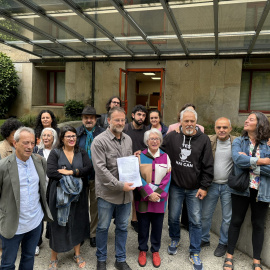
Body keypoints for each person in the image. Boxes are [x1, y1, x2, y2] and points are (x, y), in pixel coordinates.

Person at [161, 108, 213, 270]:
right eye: (186, 121)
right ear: (180, 122)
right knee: (173, 217)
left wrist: (204, 186)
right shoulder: (172, 137)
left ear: (196, 122)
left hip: (194, 188)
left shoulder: (204, 139)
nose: (189, 124)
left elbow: (208, 165)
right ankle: (175, 238)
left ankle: (195, 251)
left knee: (195, 221)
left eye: (192, 121)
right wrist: (141, 155)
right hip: (176, 186)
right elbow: (157, 148)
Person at [0, 127, 52, 269]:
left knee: (28, 258)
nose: (29, 147)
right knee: (7, 263)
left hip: (35, 223)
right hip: (13, 225)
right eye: (25, 143)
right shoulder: (3, 166)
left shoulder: (39, 162)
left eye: (32, 143)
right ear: (15, 143)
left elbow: (41, 189)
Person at [223, 112, 270, 270]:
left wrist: (250, 164)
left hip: (261, 191)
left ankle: (257, 260)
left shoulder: (267, 144)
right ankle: (229, 256)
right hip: (241, 189)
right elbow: (237, 160)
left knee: (258, 225)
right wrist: (262, 161)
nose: (246, 121)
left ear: (259, 124)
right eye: (247, 118)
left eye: (251, 119)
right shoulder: (238, 141)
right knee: (235, 222)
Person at [91, 107, 134, 270]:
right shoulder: (99, 141)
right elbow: (101, 170)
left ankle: (120, 259)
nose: (121, 123)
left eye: (123, 120)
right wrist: (119, 185)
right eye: (117, 120)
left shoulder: (128, 139)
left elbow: (128, 163)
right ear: (108, 120)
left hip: (126, 195)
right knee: (103, 227)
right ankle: (101, 259)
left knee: (122, 227)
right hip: (107, 195)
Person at [46, 125, 92, 269]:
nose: (72, 139)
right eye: (68, 136)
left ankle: (77, 254)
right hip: (59, 195)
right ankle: (54, 257)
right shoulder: (56, 153)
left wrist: (70, 173)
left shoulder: (81, 152)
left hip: (79, 195)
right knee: (58, 224)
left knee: (77, 222)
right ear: (62, 138)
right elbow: (51, 172)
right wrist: (75, 174)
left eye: (74, 136)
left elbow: (88, 168)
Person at [136, 128, 171, 268]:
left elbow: (167, 179)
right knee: (143, 226)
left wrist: (156, 194)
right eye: (152, 139)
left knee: (157, 226)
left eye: (157, 139)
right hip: (143, 198)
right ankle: (142, 250)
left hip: (159, 199)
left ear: (160, 141)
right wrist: (148, 192)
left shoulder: (166, 157)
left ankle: (155, 250)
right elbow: (137, 177)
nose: (155, 141)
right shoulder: (140, 156)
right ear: (146, 141)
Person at [201, 117, 236, 257]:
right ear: (215, 128)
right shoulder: (208, 140)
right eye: (219, 127)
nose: (222, 130)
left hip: (229, 186)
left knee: (227, 217)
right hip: (211, 185)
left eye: (225, 127)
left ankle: (223, 243)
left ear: (230, 129)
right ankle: (204, 239)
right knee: (205, 215)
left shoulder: (237, 142)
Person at [76, 106, 104, 248]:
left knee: (95, 207)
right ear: (82, 119)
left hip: (97, 176)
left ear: (95, 119)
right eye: (86, 117)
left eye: (91, 118)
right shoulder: (75, 133)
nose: (88, 120)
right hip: (80, 176)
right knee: (80, 207)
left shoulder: (102, 133)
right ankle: (80, 234)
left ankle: (93, 234)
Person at [33, 127, 58, 256]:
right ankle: (37, 243)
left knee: (52, 213)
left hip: (53, 187)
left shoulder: (58, 151)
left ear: (54, 138)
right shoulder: (36, 150)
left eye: (49, 135)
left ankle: (52, 238)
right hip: (40, 188)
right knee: (39, 215)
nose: (46, 137)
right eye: (44, 135)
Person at [123, 104, 148, 233]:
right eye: (139, 114)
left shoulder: (147, 131)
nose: (141, 117)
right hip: (126, 165)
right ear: (133, 115)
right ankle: (121, 219)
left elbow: (151, 147)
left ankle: (135, 219)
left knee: (138, 194)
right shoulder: (125, 129)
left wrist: (142, 151)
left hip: (142, 165)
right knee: (126, 192)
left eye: (143, 115)